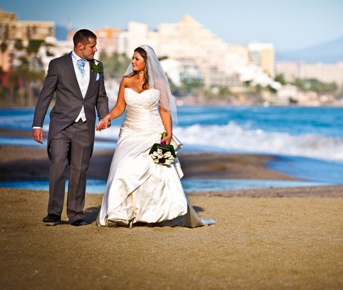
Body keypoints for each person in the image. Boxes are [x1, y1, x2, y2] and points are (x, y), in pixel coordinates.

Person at [96, 45, 214, 228]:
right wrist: (107, 118)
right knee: (122, 169)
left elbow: (165, 111)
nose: (133, 62)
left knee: (157, 175)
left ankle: (152, 214)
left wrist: (168, 133)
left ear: (146, 62)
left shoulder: (159, 84)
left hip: (153, 131)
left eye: (137, 59)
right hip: (130, 132)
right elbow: (120, 107)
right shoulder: (126, 81)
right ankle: (120, 213)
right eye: (132, 58)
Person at [32, 29, 110, 226]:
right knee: (58, 164)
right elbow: (46, 95)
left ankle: (76, 214)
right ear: (80, 46)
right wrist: (37, 124)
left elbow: (101, 96)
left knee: (79, 169)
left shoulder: (98, 67)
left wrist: (104, 116)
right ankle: (54, 213)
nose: (95, 49)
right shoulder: (58, 65)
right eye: (92, 46)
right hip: (61, 124)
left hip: (85, 126)